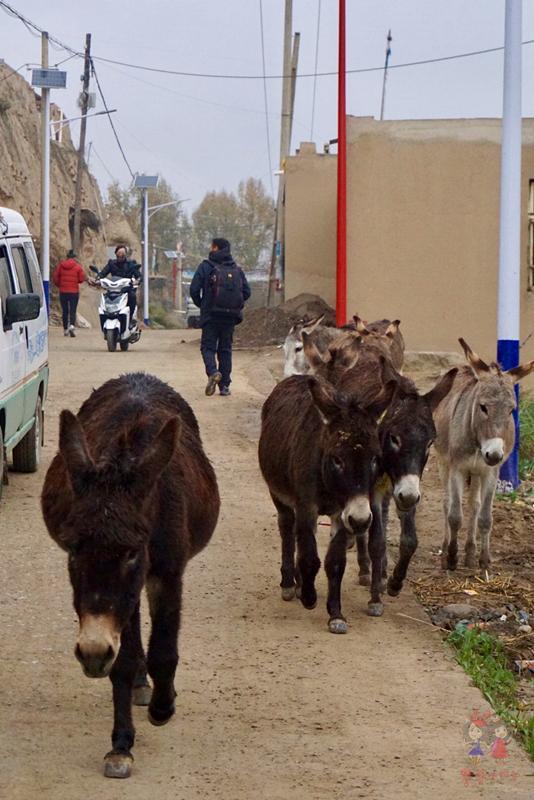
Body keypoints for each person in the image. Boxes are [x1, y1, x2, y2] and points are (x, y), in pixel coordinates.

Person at [190, 237, 251, 396]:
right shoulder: (236, 269)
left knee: (208, 347)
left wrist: (203, 304)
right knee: (225, 350)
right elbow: (247, 292)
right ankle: (224, 386)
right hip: (230, 317)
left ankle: (213, 372)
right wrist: (232, 304)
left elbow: (194, 289)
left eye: (212, 246)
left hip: (210, 315)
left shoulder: (206, 267)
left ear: (215, 248)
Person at [94, 245, 141, 327]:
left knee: (132, 297)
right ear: (115, 253)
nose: (121, 255)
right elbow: (103, 273)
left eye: (123, 253)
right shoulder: (111, 263)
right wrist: (98, 278)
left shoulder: (131, 264)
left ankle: (131, 319)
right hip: (113, 290)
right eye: (119, 253)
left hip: (126, 290)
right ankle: (106, 318)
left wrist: (137, 280)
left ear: (126, 254)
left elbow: (139, 276)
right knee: (105, 298)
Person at [52, 249, 87, 337]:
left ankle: (65, 329)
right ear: (74, 258)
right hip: (74, 292)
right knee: (73, 310)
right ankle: (72, 325)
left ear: (67, 257)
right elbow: (81, 278)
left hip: (63, 291)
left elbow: (55, 277)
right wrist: (76, 282)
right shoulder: (77, 267)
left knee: (65, 310)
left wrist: (60, 285)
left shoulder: (61, 265)